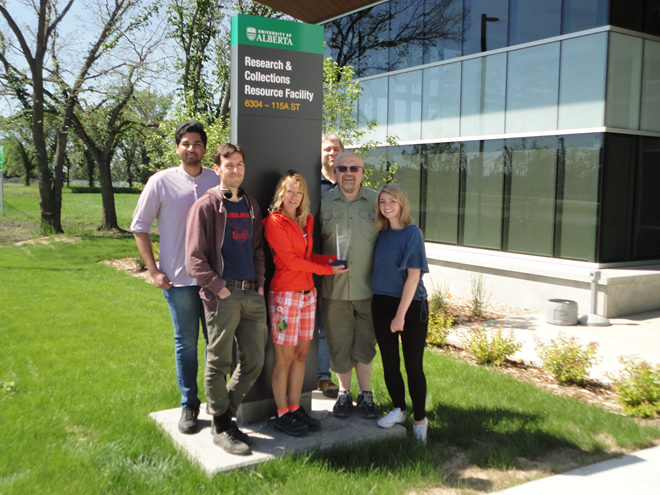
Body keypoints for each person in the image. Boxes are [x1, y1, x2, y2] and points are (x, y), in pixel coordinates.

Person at [131, 121, 219, 435]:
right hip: (178, 282)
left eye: (197, 143)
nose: (191, 148)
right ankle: (189, 404)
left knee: (217, 344)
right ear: (177, 147)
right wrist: (153, 270)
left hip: (213, 281)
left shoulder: (217, 179)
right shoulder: (160, 182)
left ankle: (217, 403)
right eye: (185, 143)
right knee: (186, 344)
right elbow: (139, 227)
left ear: (205, 149)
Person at [185, 143, 268, 456]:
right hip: (224, 295)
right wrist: (219, 288)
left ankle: (223, 414)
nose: (236, 170)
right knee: (219, 360)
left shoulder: (251, 205)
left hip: (252, 293)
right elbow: (194, 259)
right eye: (229, 165)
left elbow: (258, 249)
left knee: (255, 360)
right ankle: (221, 426)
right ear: (216, 169)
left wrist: (259, 284)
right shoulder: (206, 206)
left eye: (240, 164)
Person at [263, 170, 349, 436]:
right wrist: (326, 271)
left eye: (299, 192)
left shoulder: (306, 220)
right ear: (281, 193)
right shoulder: (273, 221)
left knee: (301, 356)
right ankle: (281, 414)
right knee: (285, 359)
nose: (294, 196)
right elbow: (290, 261)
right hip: (285, 296)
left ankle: (294, 407)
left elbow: (309, 256)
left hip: (308, 295)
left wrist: (331, 261)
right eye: (289, 191)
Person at [320, 151, 379, 419]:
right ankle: (344, 393)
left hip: (370, 289)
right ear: (334, 172)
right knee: (339, 342)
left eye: (354, 168)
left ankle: (366, 395)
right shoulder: (322, 203)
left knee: (366, 343)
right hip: (335, 289)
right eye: (342, 168)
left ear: (363, 172)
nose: (348, 172)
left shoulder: (377, 202)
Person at [371, 183, 430, 444]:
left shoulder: (412, 233)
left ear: (402, 203)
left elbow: (413, 277)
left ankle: (420, 421)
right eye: (383, 202)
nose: (387, 206)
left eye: (392, 201)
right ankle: (399, 409)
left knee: (413, 366)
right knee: (390, 363)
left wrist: (400, 316)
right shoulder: (380, 233)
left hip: (410, 306)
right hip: (381, 303)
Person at [316, 132, 344, 398]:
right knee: (318, 323)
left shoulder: (350, 184)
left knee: (336, 325)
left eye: (336, 148)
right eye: (327, 149)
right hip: (315, 262)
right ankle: (322, 377)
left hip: (344, 266)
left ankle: (336, 379)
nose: (332, 153)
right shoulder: (312, 184)